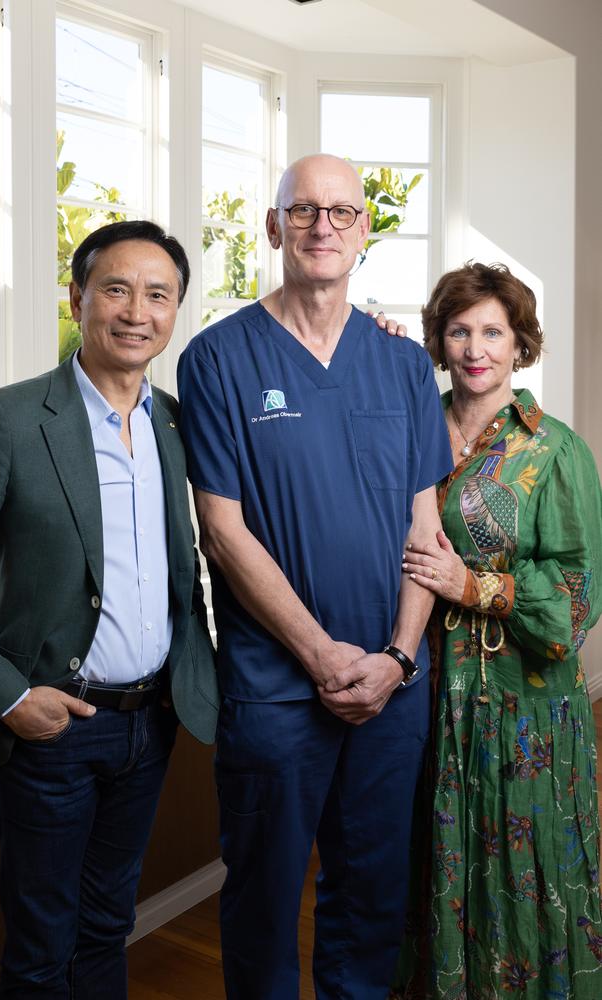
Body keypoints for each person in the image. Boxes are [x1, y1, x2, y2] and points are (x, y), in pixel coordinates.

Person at [177, 153, 453, 999]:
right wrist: (324, 656)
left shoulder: (402, 362)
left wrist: (399, 657)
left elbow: (425, 523)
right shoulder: (217, 359)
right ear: (273, 227)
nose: (323, 226)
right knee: (262, 905)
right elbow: (222, 534)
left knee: (371, 898)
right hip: (276, 691)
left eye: (341, 211)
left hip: (392, 688)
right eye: (303, 211)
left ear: (365, 230)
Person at [0, 220, 219, 999]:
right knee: (40, 948)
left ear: (175, 312)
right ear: (78, 299)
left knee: (108, 928)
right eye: (116, 288)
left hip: (153, 722)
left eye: (158, 294)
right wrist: (8, 699)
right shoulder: (9, 420)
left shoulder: (175, 421)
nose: (137, 310)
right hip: (52, 731)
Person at [386, 262, 602, 999]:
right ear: (439, 342)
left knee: (526, 863)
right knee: (427, 857)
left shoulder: (554, 452)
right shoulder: (411, 425)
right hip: (425, 691)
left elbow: (577, 596)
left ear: (519, 345)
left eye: (492, 332)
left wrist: (473, 585)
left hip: (526, 703)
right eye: (458, 331)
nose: (475, 348)